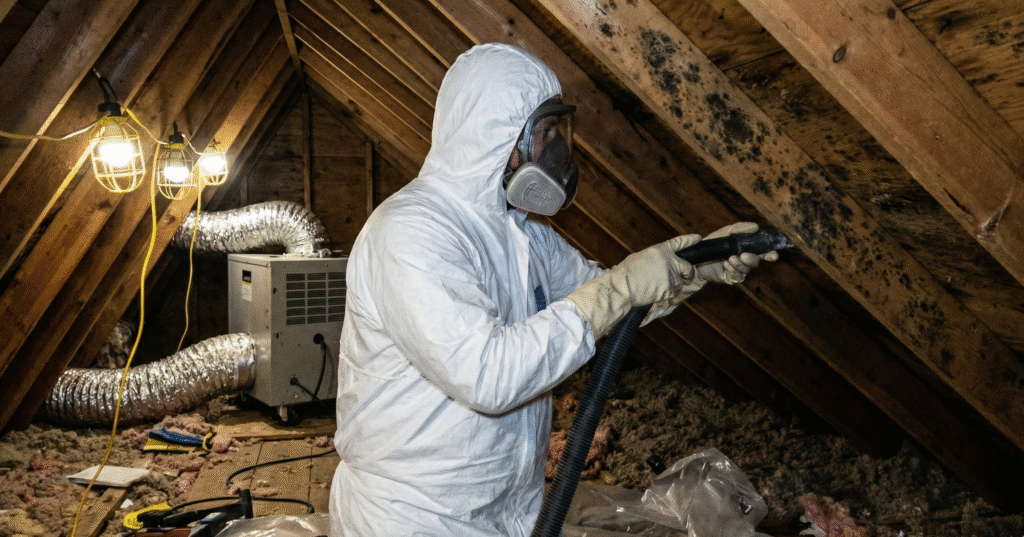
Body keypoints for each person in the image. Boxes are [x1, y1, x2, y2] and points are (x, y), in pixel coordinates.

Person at [329, 42, 776, 536]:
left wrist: (697, 268)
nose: (554, 149)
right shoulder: (411, 232)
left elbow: (609, 302)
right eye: (544, 132)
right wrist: (620, 289)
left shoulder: (522, 235)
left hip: (506, 509)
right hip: (414, 516)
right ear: (499, 134)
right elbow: (487, 376)